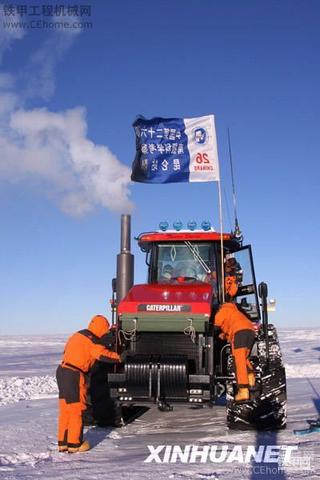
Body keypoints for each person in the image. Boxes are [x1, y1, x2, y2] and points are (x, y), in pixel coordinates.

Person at [56, 315, 121, 453]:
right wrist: (120, 357)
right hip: (74, 374)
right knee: (76, 409)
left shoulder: (78, 335)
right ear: (101, 328)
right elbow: (103, 355)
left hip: (62, 371)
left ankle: (63, 443)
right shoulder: (92, 341)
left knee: (65, 409)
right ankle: (75, 444)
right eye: (105, 330)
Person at [215, 256, 255, 402]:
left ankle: (243, 389)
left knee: (238, 360)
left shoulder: (224, 309)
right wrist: (223, 335)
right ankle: (251, 377)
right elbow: (227, 330)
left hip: (239, 333)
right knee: (243, 357)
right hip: (249, 331)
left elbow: (216, 324)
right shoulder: (235, 312)